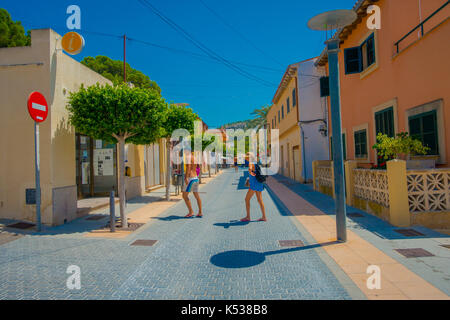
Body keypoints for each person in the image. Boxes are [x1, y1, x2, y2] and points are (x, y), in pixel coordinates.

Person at [241, 154, 267, 222]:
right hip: (258, 184)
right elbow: (254, 172)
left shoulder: (251, 163)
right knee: (260, 200)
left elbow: (250, 169)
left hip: (254, 186)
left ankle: (248, 217)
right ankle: (264, 217)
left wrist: (250, 171)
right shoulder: (256, 163)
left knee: (247, 199)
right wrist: (250, 177)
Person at [183, 152, 203, 218]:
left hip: (190, 179)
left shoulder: (188, 157)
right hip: (195, 178)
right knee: (197, 196)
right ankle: (200, 212)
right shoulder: (195, 157)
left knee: (184, 196)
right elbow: (198, 167)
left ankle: (191, 212)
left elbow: (188, 167)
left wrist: (186, 177)